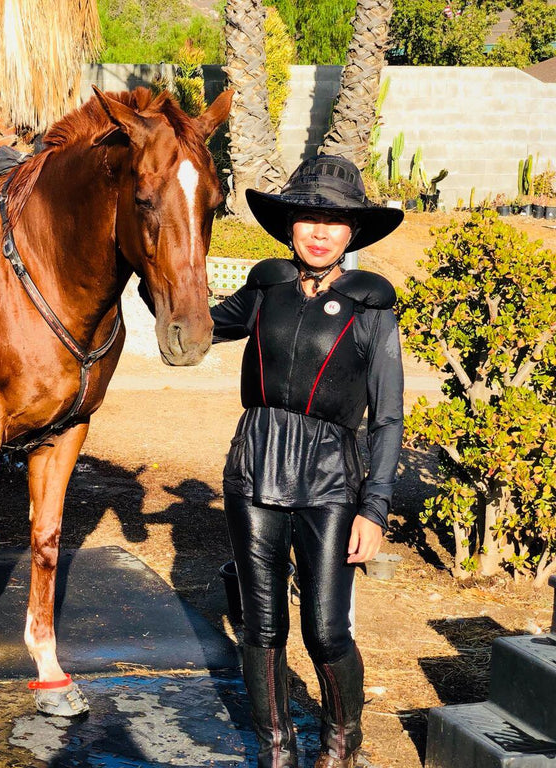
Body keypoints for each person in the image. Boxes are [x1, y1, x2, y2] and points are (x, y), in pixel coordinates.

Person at [212, 155, 405, 768]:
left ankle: (343, 743)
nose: (319, 231)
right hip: (255, 468)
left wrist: (374, 508)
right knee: (263, 629)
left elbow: (388, 416)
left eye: (334, 220)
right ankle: (277, 748)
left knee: (325, 630)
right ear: (289, 226)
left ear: (353, 233)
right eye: (307, 218)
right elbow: (192, 329)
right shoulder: (266, 286)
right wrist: (146, 269)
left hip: (330, 479)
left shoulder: (371, 303)